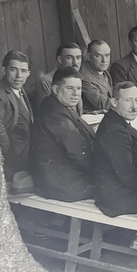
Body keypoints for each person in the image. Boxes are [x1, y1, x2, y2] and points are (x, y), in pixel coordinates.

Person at [30, 66, 96, 202]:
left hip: (63, 174)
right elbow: (78, 152)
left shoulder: (59, 106)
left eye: (78, 88)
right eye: (70, 88)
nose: (76, 93)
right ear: (55, 89)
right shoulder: (55, 114)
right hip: (62, 182)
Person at [92, 82, 137, 218]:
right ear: (114, 102)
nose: (135, 106)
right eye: (128, 100)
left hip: (120, 189)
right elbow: (127, 175)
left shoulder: (116, 121)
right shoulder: (114, 131)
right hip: (118, 198)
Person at [0, 50, 34, 183]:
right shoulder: (0, 94)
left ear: (28, 73)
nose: (19, 76)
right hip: (12, 160)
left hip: (24, 156)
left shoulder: (19, 90)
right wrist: (8, 149)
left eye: (23, 71)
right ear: (4, 70)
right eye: (13, 69)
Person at [36, 42, 83, 114]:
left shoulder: (77, 78)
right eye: (69, 58)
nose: (75, 63)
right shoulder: (46, 81)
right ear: (60, 60)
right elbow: (49, 111)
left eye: (78, 58)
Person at [80, 40, 113, 113]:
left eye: (107, 55)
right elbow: (103, 103)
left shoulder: (101, 70)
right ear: (88, 57)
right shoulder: (85, 76)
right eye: (98, 56)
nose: (104, 60)